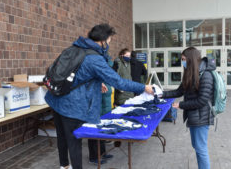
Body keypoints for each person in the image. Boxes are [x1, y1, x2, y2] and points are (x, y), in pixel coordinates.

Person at [45, 24, 153, 169]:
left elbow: (77, 74)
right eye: (109, 41)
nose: (109, 44)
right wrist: (143, 87)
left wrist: (97, 82)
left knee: (62, 138)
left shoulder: (75, 48)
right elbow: (118, 82)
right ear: (102, 40)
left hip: (56, 98)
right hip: (72, 106)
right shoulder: (95, 59)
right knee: (74, 142)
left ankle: (64, 166)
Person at [162, 47, 215, 169]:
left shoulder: (206, 74)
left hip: (202, 117)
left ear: (191, 59)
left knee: (201, 148)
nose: (182, 62)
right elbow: (179, 91)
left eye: (184, 59)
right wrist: (161, 94)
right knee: (196, 146)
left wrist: (181, 105)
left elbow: (202, 100)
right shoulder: (190, 73)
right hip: (194, 116)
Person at [88, 56, 114, 165]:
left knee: (102, 131)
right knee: (94, 133)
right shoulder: (94, 76)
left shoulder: (106, 76)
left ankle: (102, 153)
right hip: (96, 108)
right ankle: (94, 157)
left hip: (105, 108)